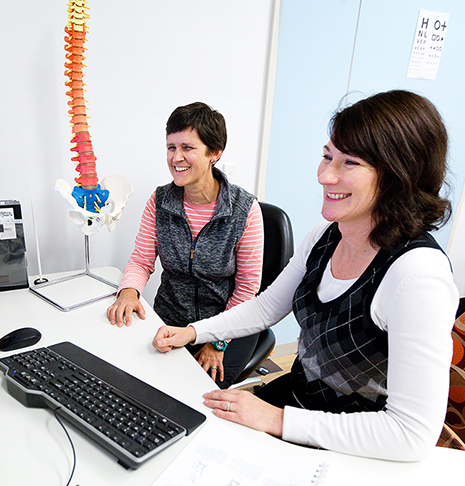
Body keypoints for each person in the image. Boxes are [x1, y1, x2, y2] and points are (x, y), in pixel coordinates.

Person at [152, 90, 458, 461]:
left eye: (349, 163)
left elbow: (410, 435)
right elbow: (266, 306)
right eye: (327, 156)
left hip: (355, 445)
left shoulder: (418, 276)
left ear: (398, 175)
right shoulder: (326, 235)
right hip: (298, 401)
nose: (325, 175)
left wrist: (278, 420)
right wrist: (195, 332)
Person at [107, 102, 265, 388]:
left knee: (197, 392)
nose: (176, 158)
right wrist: (128, 292)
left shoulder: (245, 210)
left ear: (214, 153)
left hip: (228, 324)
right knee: (141, 382)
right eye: (171, 147)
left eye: (187, 148)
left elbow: (247, 289)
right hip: (171, 316)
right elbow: (142, 261)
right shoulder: (160, 201)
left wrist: (216, 342)